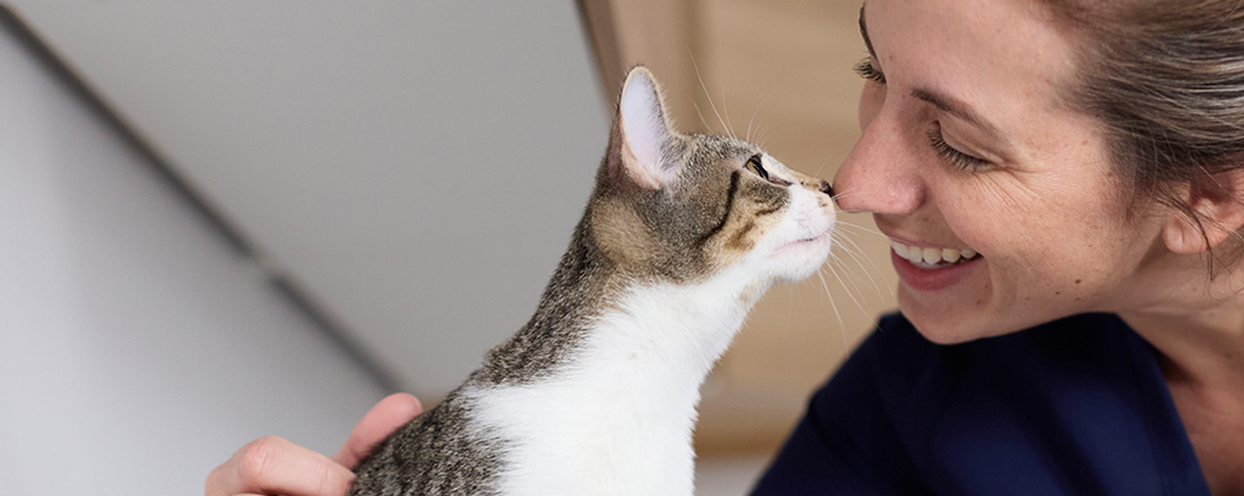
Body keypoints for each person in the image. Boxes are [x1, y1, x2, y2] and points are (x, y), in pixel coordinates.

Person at [206, 0, 1244, 494]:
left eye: (960, 145)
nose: (858, 184)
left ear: (1208, 197)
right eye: (871, 69)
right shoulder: (912, 408)